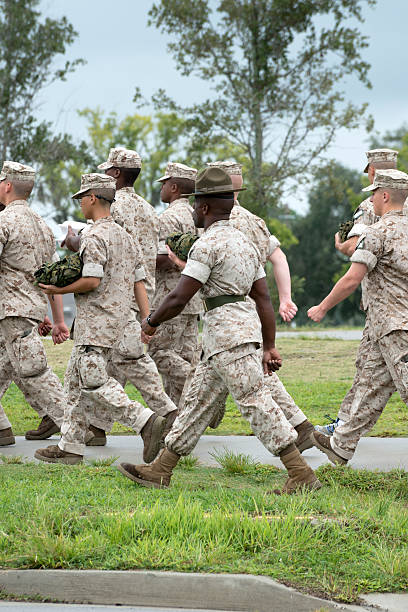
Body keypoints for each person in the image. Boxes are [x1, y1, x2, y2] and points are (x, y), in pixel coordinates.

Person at [118, 167, 322, 494]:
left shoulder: (207, 244)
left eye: (196, 203)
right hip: (231, 336)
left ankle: (301, 475)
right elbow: (263, 299)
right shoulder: (245, 244)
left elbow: (180, 295)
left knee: (256, 403)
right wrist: (268, 345)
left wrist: (151, 322)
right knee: (196, 404)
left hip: (227, 337)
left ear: (204, 208)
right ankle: (161, 469)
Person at [41, 148, 178, 447]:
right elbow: (140, 272)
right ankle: (76, 442)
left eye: (82, 197)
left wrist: (60, 280)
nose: (80, 202)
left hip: (103, 307)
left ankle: (144, 422)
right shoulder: (147, 210)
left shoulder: (105, 222)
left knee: (93, 376)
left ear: (113, 177)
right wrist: (147, 318)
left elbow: (95, 272)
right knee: (127, 367)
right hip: (131, 306)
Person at [308, 169, 408, 465]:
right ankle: (341, 445)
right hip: (383, 329)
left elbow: (352, 279)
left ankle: (342, 442)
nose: (371, 199)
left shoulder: (376, 233)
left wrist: (322, 307)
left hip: (396, 328)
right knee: (371, 386)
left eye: (374, 194)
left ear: (385, 196)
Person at [0, 161, 69, 446]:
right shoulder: (42, 225)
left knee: (35, 373)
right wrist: (54, 317)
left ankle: (74, 424)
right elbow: (50, 278)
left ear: (6, 185)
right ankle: (3, 430)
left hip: (11, 312)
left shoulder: (4, 222)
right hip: (28, 311)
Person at [148, 161, 202, 406]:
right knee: (184, 357)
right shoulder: (197, 216)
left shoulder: (169, 217)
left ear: (174, 187)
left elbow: (164, 258)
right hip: (194, 296)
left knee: (157, 352)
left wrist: (139, 258)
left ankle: (201, 390)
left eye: (164, 184)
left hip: (172, 292)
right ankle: (180, 420)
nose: (161, 188)